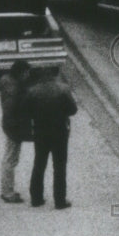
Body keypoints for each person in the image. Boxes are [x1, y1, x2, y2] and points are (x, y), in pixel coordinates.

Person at [26, 72, 78, 209]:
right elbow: (73, 109)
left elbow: (26, 111)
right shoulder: (63, 89)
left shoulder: (32, 91)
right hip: (60, 131)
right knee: (59, 167)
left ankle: (36, 198)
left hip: (40, 131)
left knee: (39, 164)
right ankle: (60, 201)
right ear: (54, 76)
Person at [0, 59, 33, 203]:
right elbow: (15, 109)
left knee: (11, 158)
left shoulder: (7, 82)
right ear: (21, 73)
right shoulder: (16, 90)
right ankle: (7, 192)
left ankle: (7, 189)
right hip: (14, 127)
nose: (28, 75)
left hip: (9, 125)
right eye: (27, 73)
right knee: (11, 159)